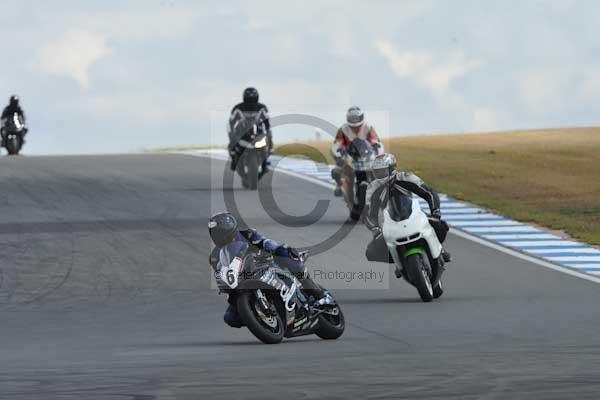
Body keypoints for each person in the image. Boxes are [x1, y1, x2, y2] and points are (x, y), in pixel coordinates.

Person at [208, 212, 325, 328]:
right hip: (243, 280)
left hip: (266, 264)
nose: (219, 236)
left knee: (290, 259)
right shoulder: (215, 256)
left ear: (230, 229)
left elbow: (264, 241)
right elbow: (220, 274)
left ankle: (319, 295)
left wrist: (275, 248)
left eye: (221, 232)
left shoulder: (246, 234)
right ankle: (258, 315)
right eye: (216, 233)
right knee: (230, 317)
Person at [364, 153, 451, 266]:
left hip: (412, 214)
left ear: (392, 168)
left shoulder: (406, 177)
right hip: (388, 224)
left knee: (440, 225)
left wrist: (435, 211)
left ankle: (440, 250)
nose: (381, 175)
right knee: (371, 253)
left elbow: (429, 192)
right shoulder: (372, 188)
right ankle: (399, 261)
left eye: (383, 171)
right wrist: (375, 228)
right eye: (378, 172)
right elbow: (367, 211)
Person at [331, 106, 382, 196]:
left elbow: (375, 140)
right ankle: (339, 185)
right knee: (336, 170)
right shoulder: (343, 129)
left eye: (356, 118)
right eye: (352, 118)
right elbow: (337, 143)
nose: (354, 120)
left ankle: (379, 189)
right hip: (349, 155)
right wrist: (339, 151)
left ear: (361, 117)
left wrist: (376, 147)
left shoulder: (368, 127)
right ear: (348, 118)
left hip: (366, 155)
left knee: (379, 170)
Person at [228, 87, 273, 172]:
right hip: (241, 132)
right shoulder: (238, 108)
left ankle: (264, 162)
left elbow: (267, 121)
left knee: (268, 139)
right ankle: (234, 160)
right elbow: (231, 121)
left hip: (257, 132)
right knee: (233, 142)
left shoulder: (262, 108)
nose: (251, 100)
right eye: (249, 98)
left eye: (252, 98)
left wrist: (267, 131)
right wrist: (232, 132)